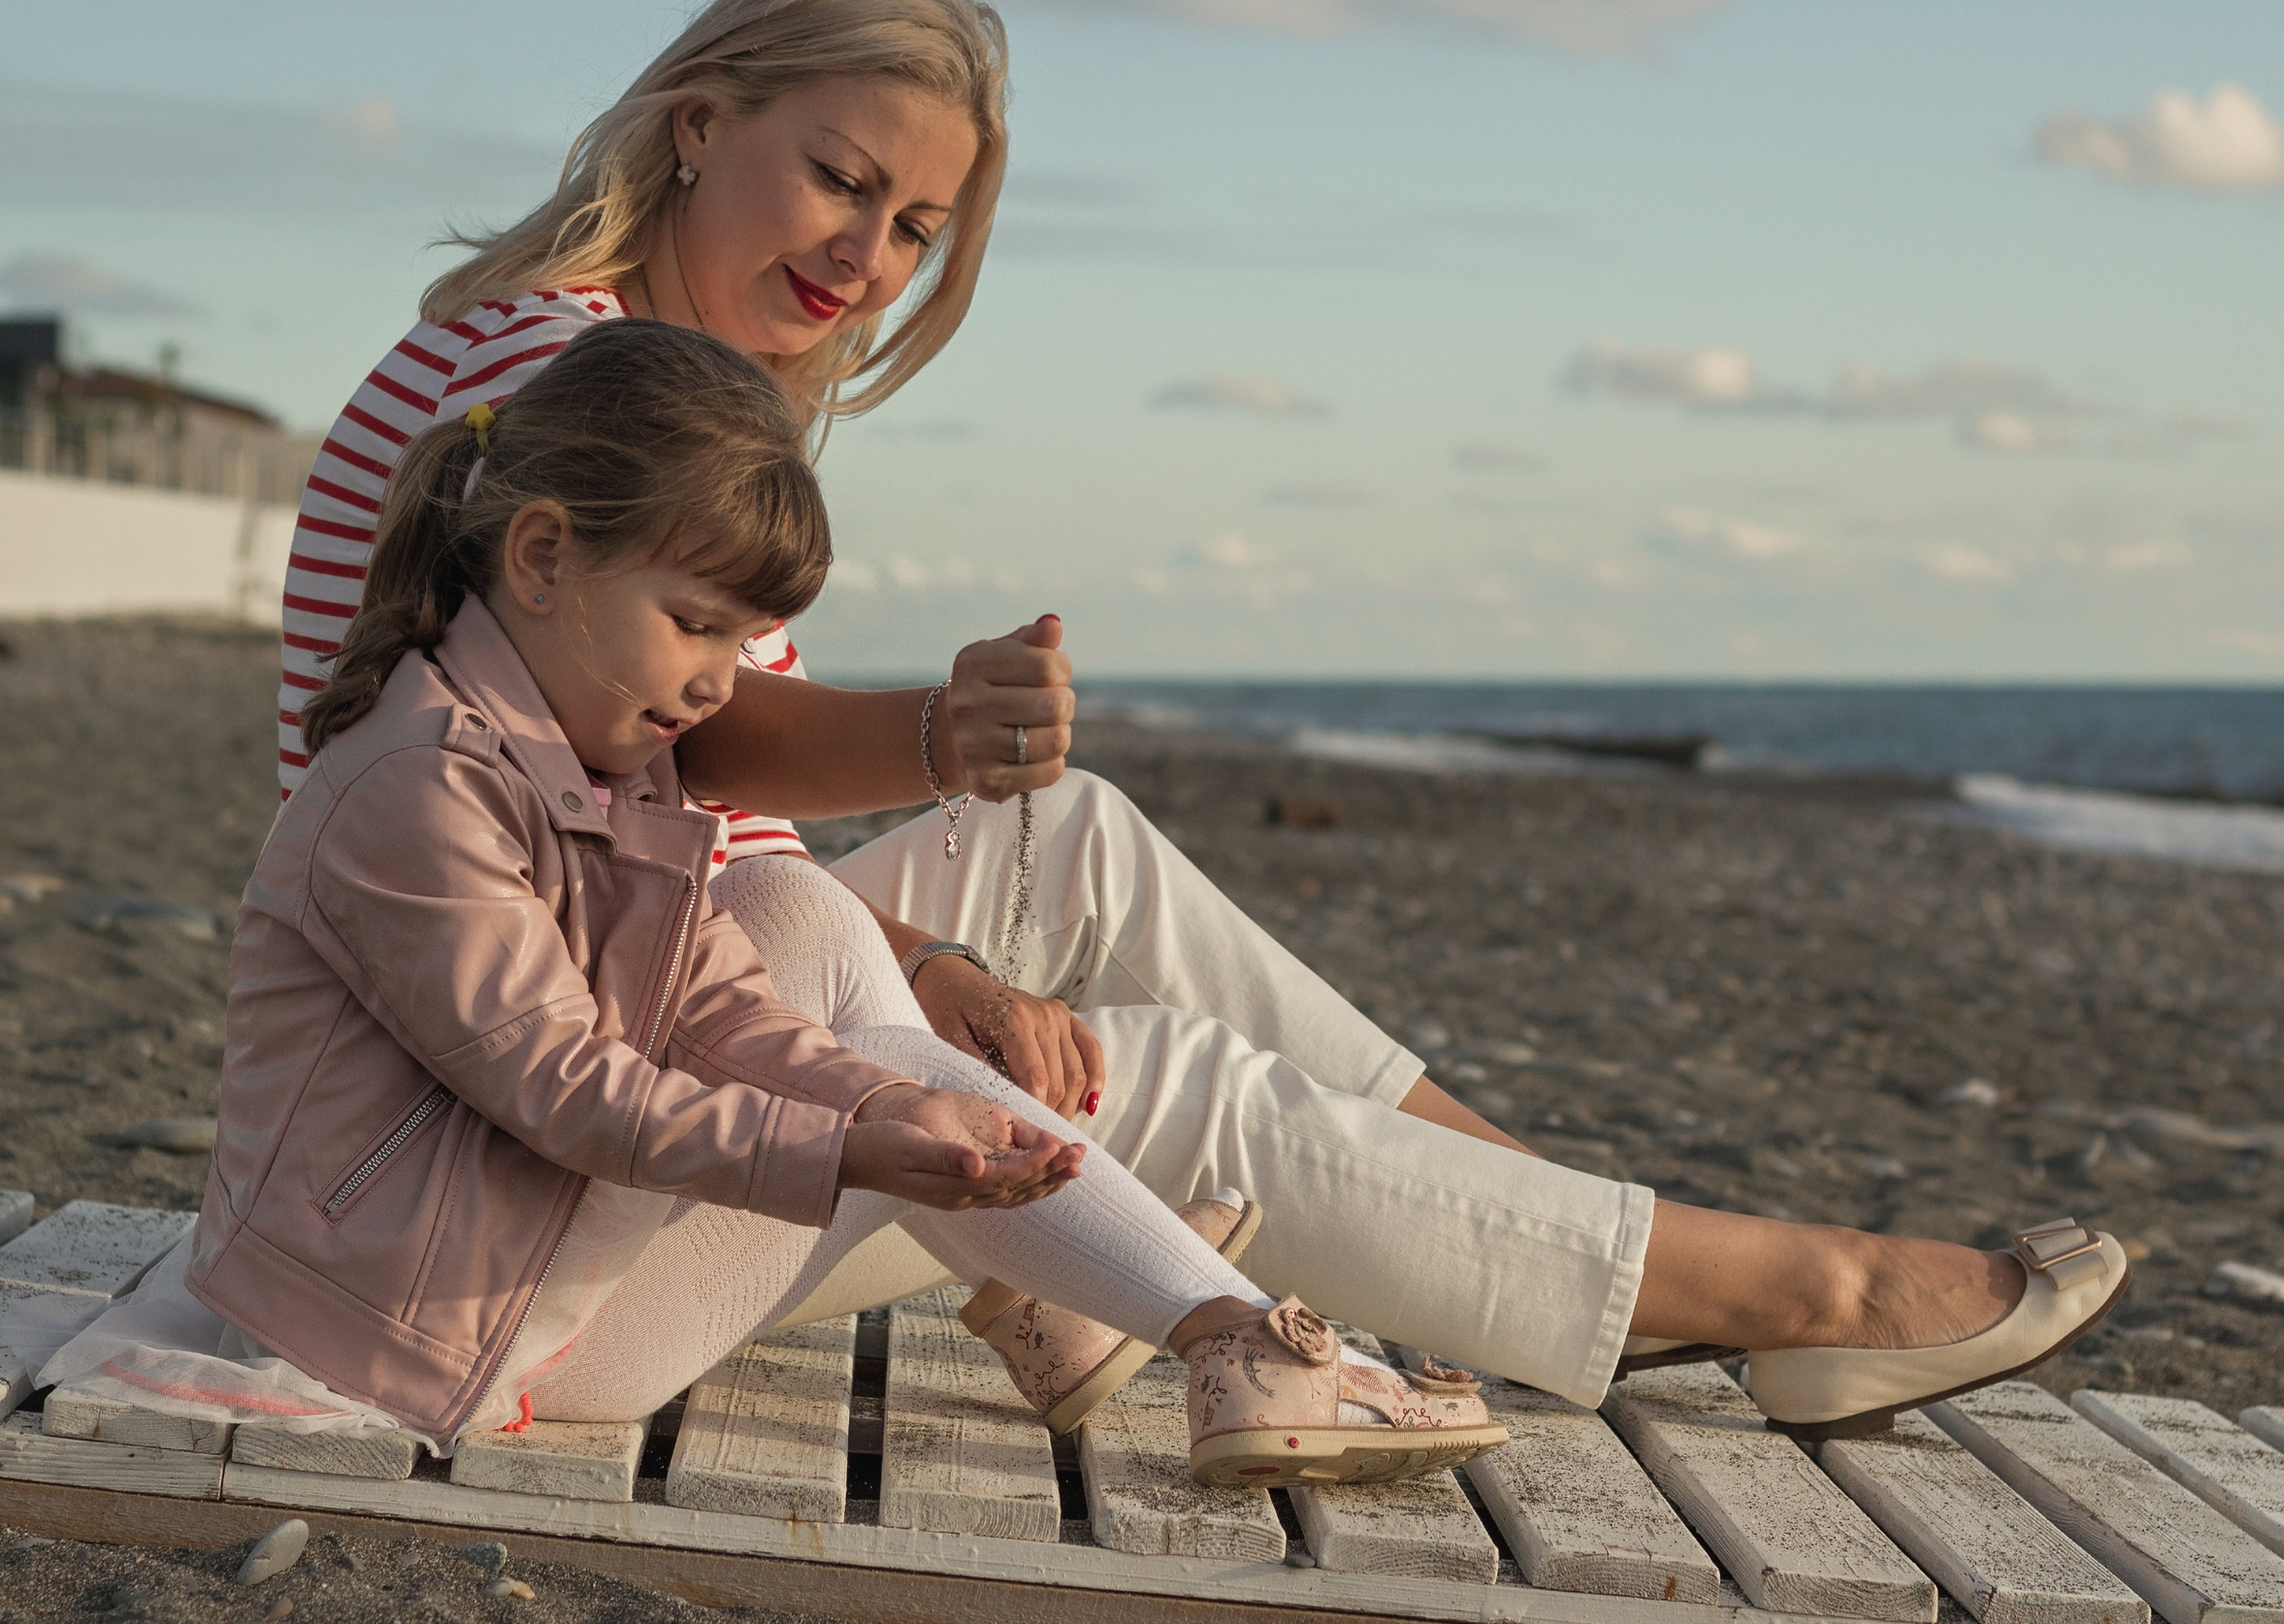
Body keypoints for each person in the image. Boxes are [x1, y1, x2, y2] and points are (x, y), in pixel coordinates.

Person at [269, 0, 2128, 1438]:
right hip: (511, 1151)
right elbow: (626, 798)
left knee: (1065, 841)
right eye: (841, 177)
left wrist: (928, 915)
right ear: (694, 124)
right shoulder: (564, 384)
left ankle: (1549, 1221)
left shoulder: (585, 357)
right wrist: (928, 806)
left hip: (578, 1015)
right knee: (1157, 1083)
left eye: (916, 225)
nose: (867, 254)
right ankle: (1784, 1295)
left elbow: (654, 809)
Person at [192, 318, 1512, 1488]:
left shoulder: (591, 751)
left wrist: (893, 1111)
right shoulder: (419, 790)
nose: (719, 684)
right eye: (696, 623)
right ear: (541, 556)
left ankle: (1132, 1298)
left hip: (474, 1258)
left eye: (738, 641)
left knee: (793, 909)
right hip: (404, 1332)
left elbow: (712, 999)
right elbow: (569, 1090)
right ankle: (1218, 1330)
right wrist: (853, 1144)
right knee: (871, 1057)